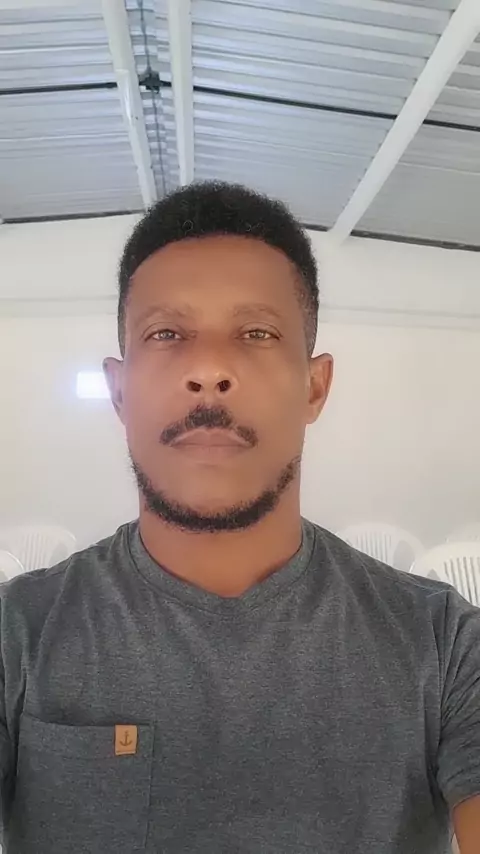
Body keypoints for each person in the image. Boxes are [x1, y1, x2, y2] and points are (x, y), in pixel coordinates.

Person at [1, 182, 479, 854]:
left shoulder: (445, 646)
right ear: (118, 390)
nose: (208, 368)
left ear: (314, 387)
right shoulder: (17, 636)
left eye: (257, 333)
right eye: (166, 333)